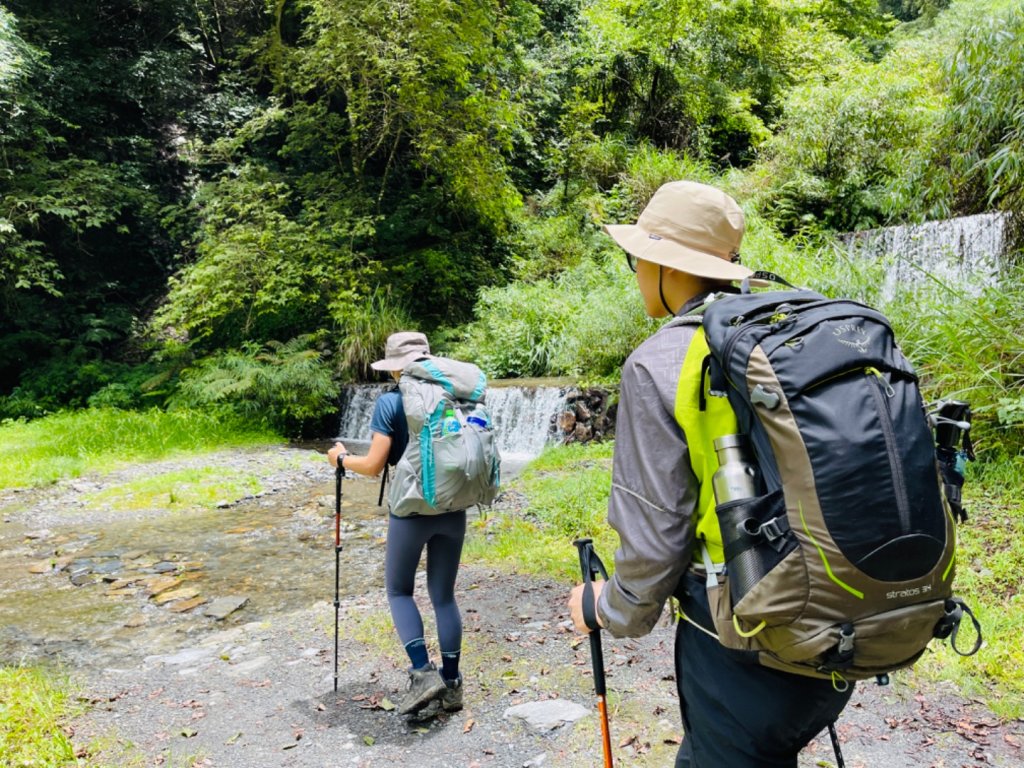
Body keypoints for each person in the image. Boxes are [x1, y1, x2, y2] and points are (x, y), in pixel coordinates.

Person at [567, 181, 854, 767]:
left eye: (637, 258)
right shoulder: (792, 331)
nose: (636, 270)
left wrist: (604, 608)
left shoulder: (661, 363)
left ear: (666, 265)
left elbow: (654, 541)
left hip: (743, 645)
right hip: (844, 621)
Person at [328, 331, 465, 717]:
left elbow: (372, 465)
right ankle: (452, 684)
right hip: (453, 508)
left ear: (395, 370)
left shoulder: (391, 402)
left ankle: (423, 674)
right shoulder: (451, 398)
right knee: (444, 596)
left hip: (410, 512)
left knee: (399, 591)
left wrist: (339, 459)